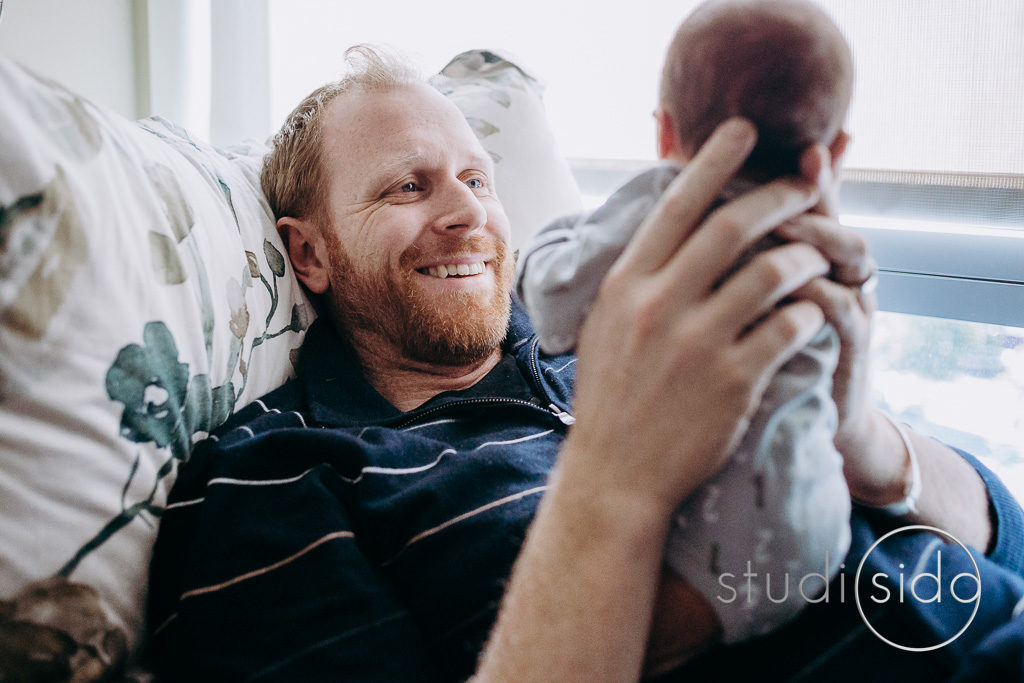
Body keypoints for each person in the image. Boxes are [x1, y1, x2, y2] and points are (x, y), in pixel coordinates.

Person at [146, 43, 1024, 682]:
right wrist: (617, 482)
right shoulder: (274, 478)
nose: (468, 215)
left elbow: (1004, 542)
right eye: (407, 186)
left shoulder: (630, 331)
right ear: (309, 257)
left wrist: (865, 443)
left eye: (478, 179)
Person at [516, 0, 854, 648]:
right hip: (822, 521)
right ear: (834, 151)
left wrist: (555, 237)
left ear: (666, 133)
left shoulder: (663, 200)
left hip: (717, 547)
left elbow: (555, 311)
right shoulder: (823, 237)